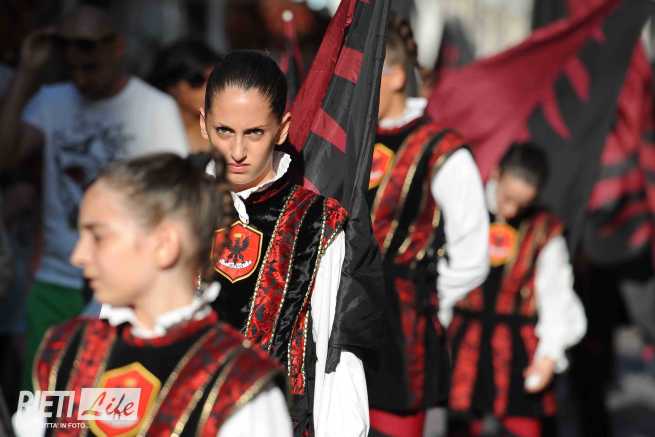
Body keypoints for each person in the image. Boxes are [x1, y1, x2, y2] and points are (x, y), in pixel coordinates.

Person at [13, 152, 292, 437]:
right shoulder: (69, 349)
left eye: (98, 236)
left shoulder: (237, 381)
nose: (78, 256)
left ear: (164, 245)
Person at [0, 4, 188, 390]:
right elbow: (5, 156)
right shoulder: (52, 101)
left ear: (116, 46)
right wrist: (27, 72)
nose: (79, 69)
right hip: (56, 282)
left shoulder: (154, 109)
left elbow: (175, 201)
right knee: (42, 407)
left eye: (88, 54)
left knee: (99, 407)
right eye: (68, 53)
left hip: (123, 287)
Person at [200, 50, 369, 437]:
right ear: (204, 124)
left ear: (281, 129)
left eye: (254, 133)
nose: (237, 151)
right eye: (224, 131)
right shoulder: (170, 206)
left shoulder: (317, 222)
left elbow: (336, 352)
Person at [367, 15, 489, 437]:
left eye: (367, 75)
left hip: (402, 327)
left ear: (396, 77)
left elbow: (472, 254)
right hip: (341, 320)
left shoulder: (442, 150)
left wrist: (427, 301)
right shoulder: (350, 142)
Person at [446, 143, 587, 437]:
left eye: (521, 204)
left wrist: (549, 356)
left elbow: (556, 295)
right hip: (465, 339)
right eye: (507, 198)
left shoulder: (543, 229)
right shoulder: (467, 210)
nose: (511, 210)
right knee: (462, 423)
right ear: (497, 175)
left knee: (525, 426)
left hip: (517, 344)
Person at [149, 40, 221, 152]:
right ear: (172, 86)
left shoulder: (225, 130)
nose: (210, 88)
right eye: (197, 80)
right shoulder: (150, 133)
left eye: (215, 78)